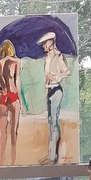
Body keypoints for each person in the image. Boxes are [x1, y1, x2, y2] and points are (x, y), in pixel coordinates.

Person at [0, 39, 24, 165]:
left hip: (3, 97)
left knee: (3, 133)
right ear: (11, 50)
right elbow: (17, 81)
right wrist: (21, 100)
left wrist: (0, 89)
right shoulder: (16, 61)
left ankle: (1, 160)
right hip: (13, 96)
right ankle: (13, 159)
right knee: (14, 130)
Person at [37, 31, 70, 164]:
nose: (43, 46)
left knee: (54, 122)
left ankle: (53, 155)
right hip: (49, 90)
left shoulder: (58, 56)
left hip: (56, 90)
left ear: (50, 42)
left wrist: (55, 77)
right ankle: (51, 154)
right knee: (50, 121)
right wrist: (47, 79)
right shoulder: (47, 58)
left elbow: (67, 72)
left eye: (45, 43)